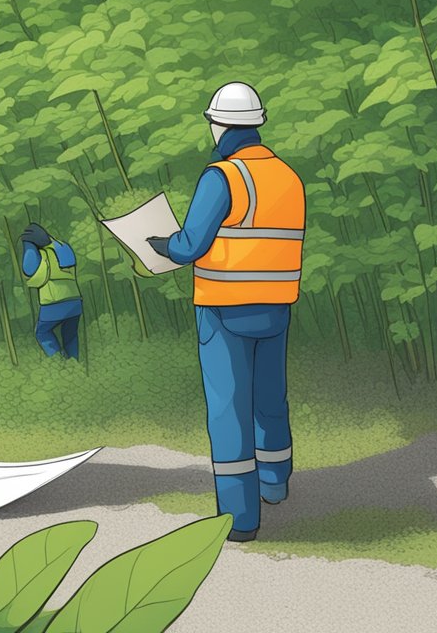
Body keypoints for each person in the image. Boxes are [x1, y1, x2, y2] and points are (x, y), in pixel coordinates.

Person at [145, 81, 305, 542]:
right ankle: (275, 484)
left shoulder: (223, 176)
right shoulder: (288, 177)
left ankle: (239, 518)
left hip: (224, 308)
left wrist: (159, 245)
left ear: (218, 125)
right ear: (257, 124)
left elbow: (191, 244)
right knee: (270, 399)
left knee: (229, 408)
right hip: (276, 307)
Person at [20, 223, 83, 358]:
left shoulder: (43, 255)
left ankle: (58, 362)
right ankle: (75, 364)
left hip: (54, 302)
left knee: (42, 332)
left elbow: (32, 275)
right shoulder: (62, 247)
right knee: (70, 336)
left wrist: (27, 245)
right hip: (75, 301)